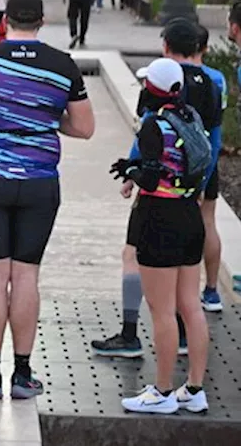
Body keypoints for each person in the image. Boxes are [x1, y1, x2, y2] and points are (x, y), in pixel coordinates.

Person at [0, 0, 94, 401]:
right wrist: (46, 121)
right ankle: (24, 374)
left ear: (5, 20)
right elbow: (85, 127)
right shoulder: (62, 64)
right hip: (40, 182)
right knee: (27, 274)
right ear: (42, 22)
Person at [91, 20, 221, 357]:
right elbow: (213, 138)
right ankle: (185, 341)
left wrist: (132, 174)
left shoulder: (160, 82)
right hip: (193, 185)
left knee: (132, 255)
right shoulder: (211, 81)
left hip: (158, 193)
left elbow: (148, 138)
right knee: (185, 273)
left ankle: (130, 332)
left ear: (166, 46)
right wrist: (200, 180)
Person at [111, 59, 210, 414]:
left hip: (160, 219)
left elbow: (152, 178)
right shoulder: (191, 117)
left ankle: (163, 392)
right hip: (189, 214)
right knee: (190, 306)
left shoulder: (154, 125)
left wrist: (132, 170)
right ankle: (194, 389)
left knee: (162, 311)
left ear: (151, 88)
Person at [195, 26, 228, 312]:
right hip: (209, 158)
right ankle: (212, 290)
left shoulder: (170, 77)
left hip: (177, 163)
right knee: (208, 222)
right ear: (205, 48)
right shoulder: (217, 79)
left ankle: (183, 292)